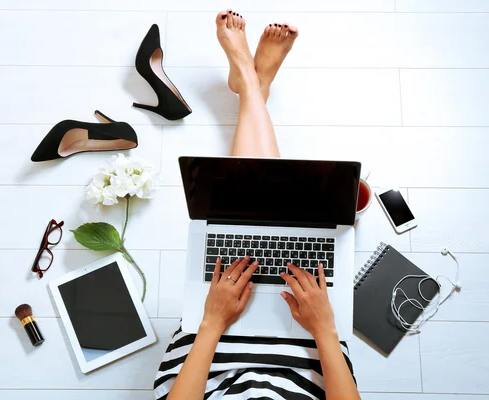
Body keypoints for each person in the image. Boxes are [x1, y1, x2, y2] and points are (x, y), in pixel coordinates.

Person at [153, 10, 360, 400]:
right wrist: (324, 330)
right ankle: (251, 86)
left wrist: (213, 321)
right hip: (310, 352)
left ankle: (251, 84)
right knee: (275, 222)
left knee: (256, 220)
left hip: (213, 355)